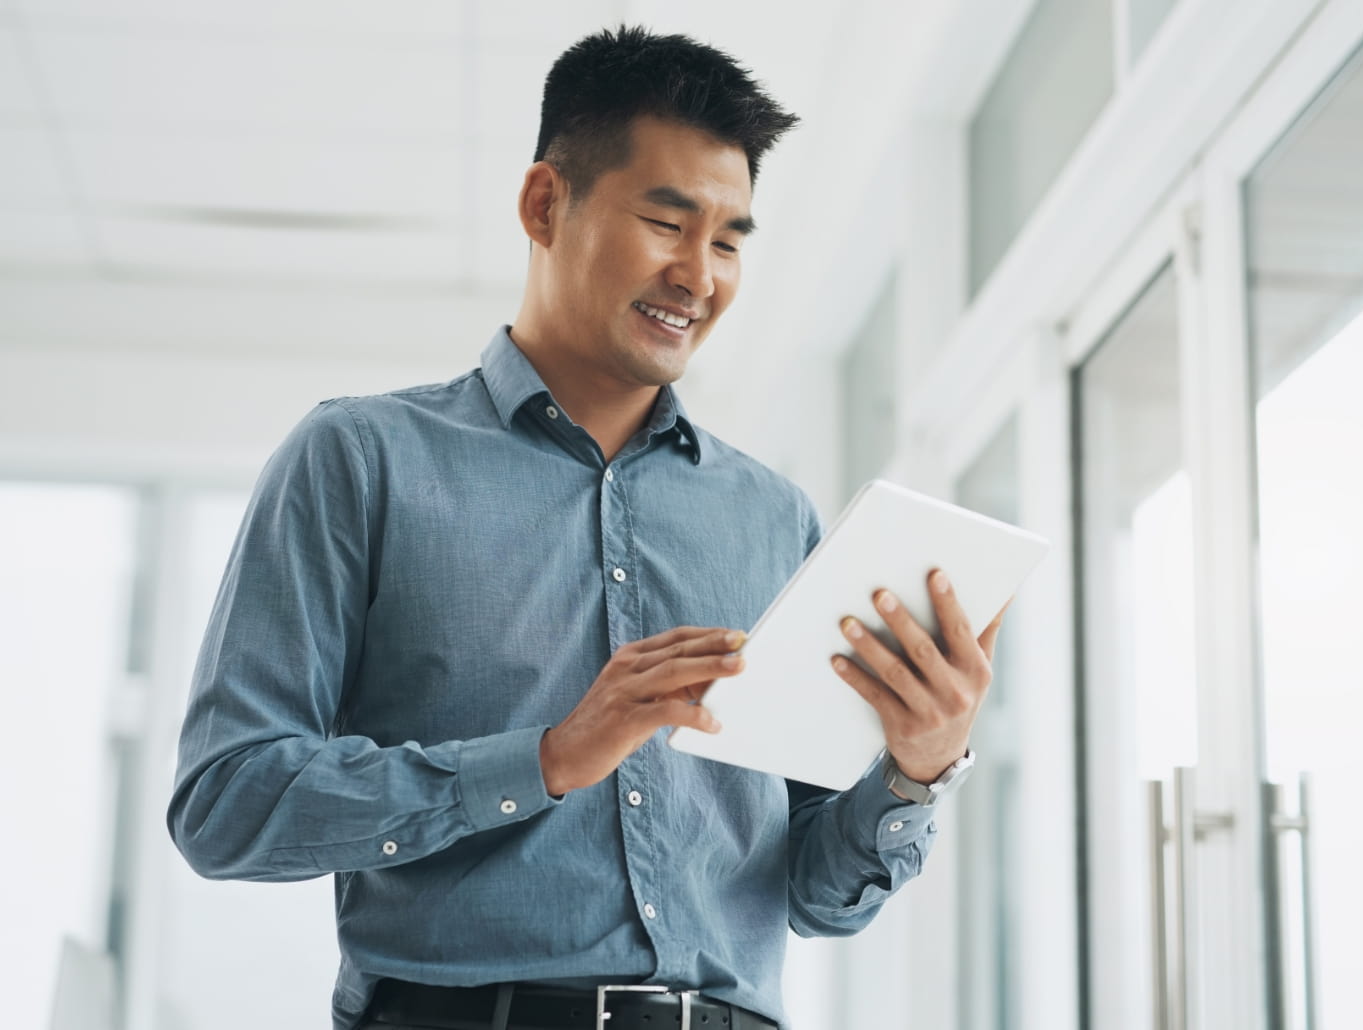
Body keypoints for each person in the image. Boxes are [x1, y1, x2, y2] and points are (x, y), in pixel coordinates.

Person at [168, 25, 1004, 1030]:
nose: (701, 275)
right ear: (543, 204)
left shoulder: (771, 516)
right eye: (666, 220)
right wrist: (549, 758)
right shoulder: (361, 459)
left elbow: (813, 896)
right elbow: (226, 805)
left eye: (731, 237)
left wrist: (917, 767)